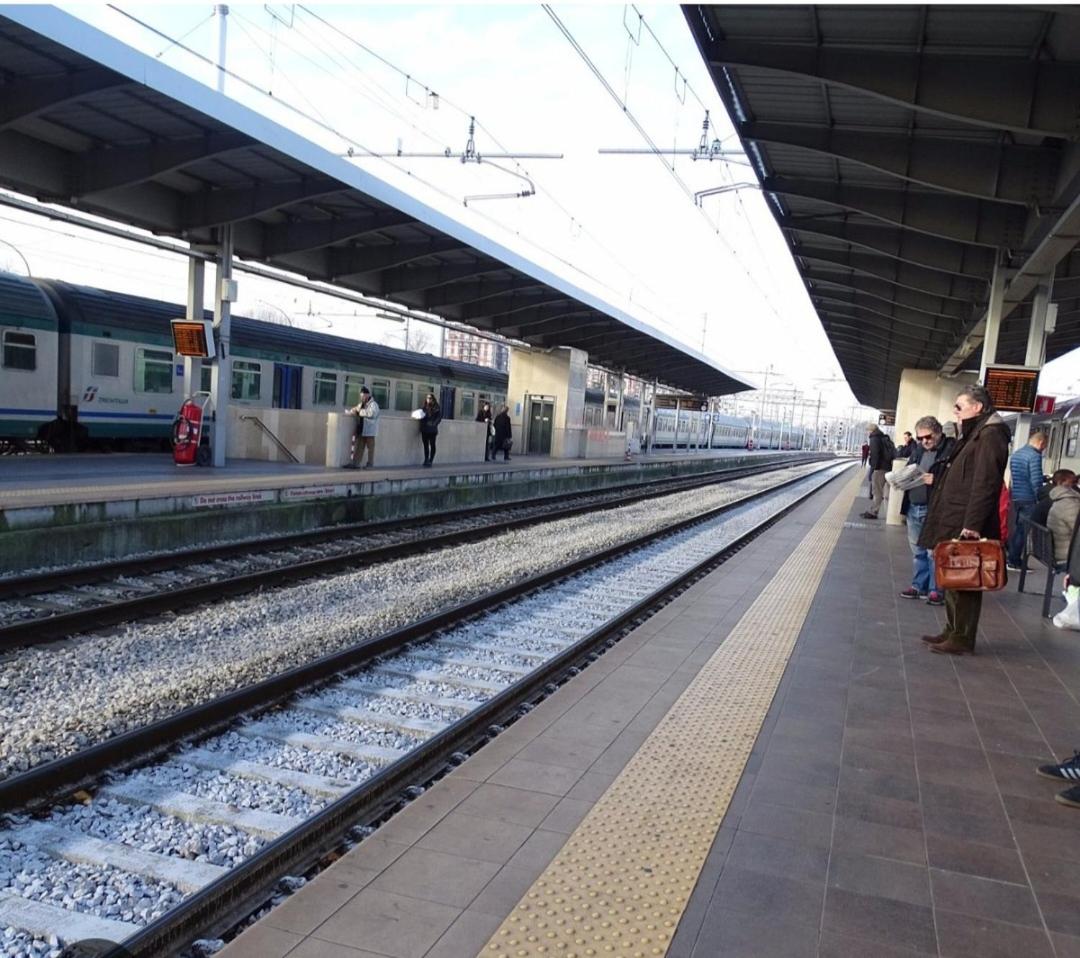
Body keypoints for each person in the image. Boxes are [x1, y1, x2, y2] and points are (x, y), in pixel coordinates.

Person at [917, 384, 1010, 655]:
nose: (955, 411)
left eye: (959, 406)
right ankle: (952, 629)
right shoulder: (974, 432)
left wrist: (973, 525)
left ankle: (962, 637)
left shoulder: (990, 435)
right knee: (953, 575)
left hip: (965, 521)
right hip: (955, 515)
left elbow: (986, 483)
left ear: (977, 407)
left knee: (965, 577)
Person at [898, 416, 955, 606]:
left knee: (934, 551)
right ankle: (918, 586)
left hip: (935, 508)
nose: (924, 441)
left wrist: (936, 481)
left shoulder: (951, 450)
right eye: (920, 438)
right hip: (913, 506)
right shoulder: (918, 450)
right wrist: (901, 479)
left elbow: (958, 481)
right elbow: (909, 469)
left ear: (938, 433)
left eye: (928, 437)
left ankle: (935, 589)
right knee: (918, 550)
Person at [1006, 426, 1049, 571]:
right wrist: (1040, 497)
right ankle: (1014, 561)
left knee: (1017, 528)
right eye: (1044, 446)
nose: (1044, 449)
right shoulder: (1034, 456)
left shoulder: (1017, 454)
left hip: (1017, 497)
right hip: (1029, 498)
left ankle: (1011, 557)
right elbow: (1035, 481)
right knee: (1023, 530)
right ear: (1041, 442)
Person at [1047, 470, 1080, 566]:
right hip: (1068, 555)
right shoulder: (1070, 504)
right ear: (1061, 483)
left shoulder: (1058, 499)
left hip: (1060, 550)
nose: (1076, 485)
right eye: (1073, 482)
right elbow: (1077, 530)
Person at [860, 424, 892, 519]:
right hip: (887, 467)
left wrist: (874, 468)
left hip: (879, 468)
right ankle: (879, 511)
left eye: (867, 430)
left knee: (877, 490)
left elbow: (875, 455)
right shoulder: (883, 437)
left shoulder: (874, 438)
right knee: (884, 491)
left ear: (870, 430)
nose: (867, 432)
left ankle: (874, 512)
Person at [344, 385, 379, 469]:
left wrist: (360, 412)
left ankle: (370, 464)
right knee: (360, 447)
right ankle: (355, 463)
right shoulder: (362, 404)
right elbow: (356, 409)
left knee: (370, 449)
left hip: (370, 431)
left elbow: (372, 414)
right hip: (362, 430)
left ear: (367, 395)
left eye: (363, 396)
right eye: (361, 396)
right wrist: (351, 412)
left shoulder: (373, 405)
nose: (361, 398)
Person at [419, 392, 441, 467]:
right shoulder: (424, 408)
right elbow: (421, 417)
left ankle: (431, 460)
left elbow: (439, 418)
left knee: (432, 445)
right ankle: (426, 459)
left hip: (432, 430)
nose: (428, 399)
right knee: (425, 445)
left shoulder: (437, 408)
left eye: (430, 398)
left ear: (433, 399)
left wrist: (433, 423)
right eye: (427, 398)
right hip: (425, 429)